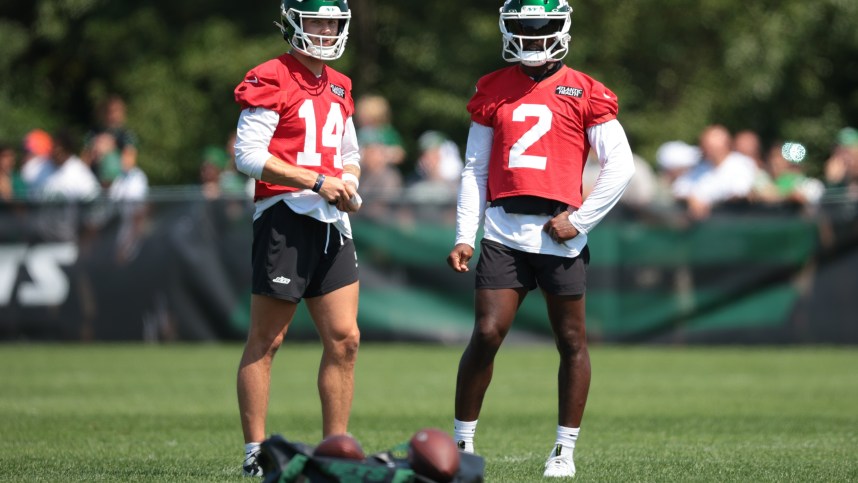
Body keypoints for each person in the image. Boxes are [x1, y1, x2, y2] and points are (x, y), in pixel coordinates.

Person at [446, 0, 635, 478]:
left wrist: (582, 219)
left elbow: (622, 165)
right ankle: (462, 443)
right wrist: (464, 233)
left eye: (541, 27)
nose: (531, 35)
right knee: (487, 333)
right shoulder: (492, 88)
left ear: (562, 29)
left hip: (559, 233)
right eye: (523, 28)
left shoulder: (585, 89)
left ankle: (563, 450)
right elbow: (473, 168)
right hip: (504, 229)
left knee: (571, 339)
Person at [232, 0, 361, 477]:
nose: (326, 30)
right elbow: (247, 155)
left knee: (345, 339)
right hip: (284, 215)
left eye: (333, 21)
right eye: (317, 21)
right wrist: (314, 181)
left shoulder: (341, 83)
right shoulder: (270, 75)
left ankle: (336, 449)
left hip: (330, 219)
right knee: (268, 339)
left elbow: (348, 151)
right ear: (293, 24)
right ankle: (255, 450)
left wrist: (348, 182)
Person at [671, 124, 757, 220]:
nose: (705, 150)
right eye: (704, 146)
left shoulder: (742, 164)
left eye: (710, 147)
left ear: (724, 146)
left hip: (734, 222)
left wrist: (706, 202)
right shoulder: (700, 167)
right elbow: (679, 189)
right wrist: (691, 198)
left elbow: (739, 194)